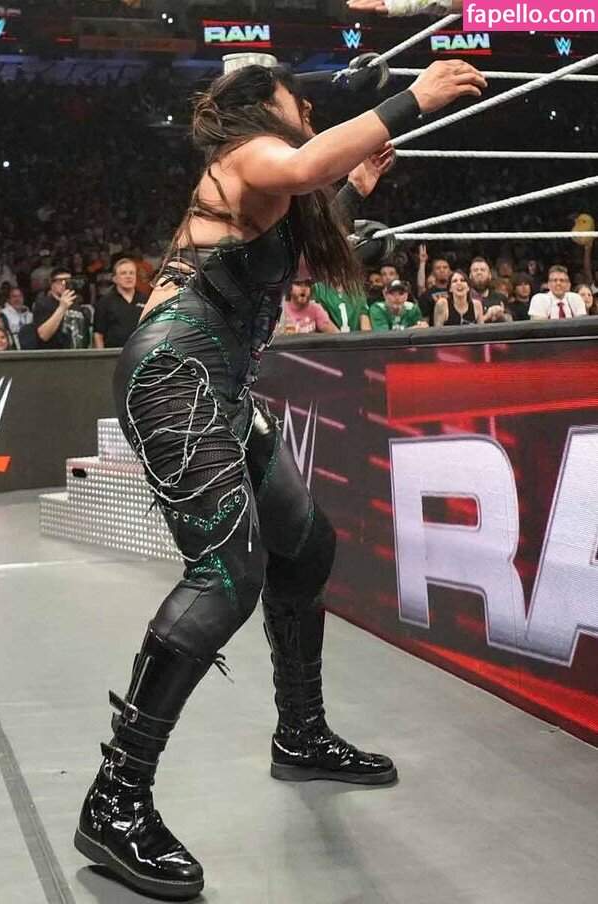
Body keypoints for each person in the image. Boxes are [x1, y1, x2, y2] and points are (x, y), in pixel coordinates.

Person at [74, 59, 487, 899]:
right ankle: (115, 800)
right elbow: (302, 167)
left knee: (305, 546)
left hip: (219, 388)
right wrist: (409, 100)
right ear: (266, 106)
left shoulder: (271, 189)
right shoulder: (247, 157)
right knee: (226, 574)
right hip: (174, 375)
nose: (312, 109)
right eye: (303, 99)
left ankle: (300, 733)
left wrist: (356, 188)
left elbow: (297, 235)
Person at [93, 258, 147, 348]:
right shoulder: (104, 302)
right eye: (123, 273)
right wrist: (101, 356)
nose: (128, 276)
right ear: (114, 278)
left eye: (131, 273)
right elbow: (98, 334)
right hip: (113, 353)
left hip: (140, 351)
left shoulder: (146, 300)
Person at [33, 267, 91, 349]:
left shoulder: (77, 305)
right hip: (56, 354)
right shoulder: (44, 304)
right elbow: (43, 335)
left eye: (68, 280)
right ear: (52, 284)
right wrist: (62, 307)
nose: (64, 283)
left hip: (78, 353)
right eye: (59, 281)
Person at [418, 256, 452, 325]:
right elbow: (424, 322)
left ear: (450, 271)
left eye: (445, 267)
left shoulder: (456, 291)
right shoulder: (426, 296)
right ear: (433, 272)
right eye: (438, 268)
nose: (442, 270)